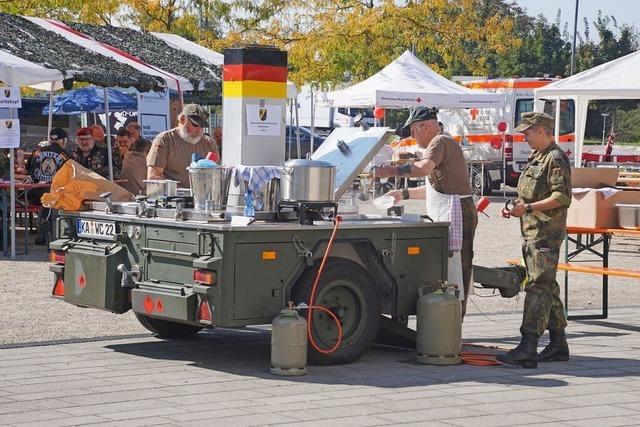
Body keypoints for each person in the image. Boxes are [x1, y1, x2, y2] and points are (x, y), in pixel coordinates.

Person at [376, 107, 478, 318]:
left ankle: (454, 317)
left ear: (426, 126)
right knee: (451, 264)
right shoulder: (442, 142)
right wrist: (402, 194)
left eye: (413, 132)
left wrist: (389, 170)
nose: (412, 137)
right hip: (452, 207)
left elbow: (422, 169)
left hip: (458, 210)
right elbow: (432, 190)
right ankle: (449, 315)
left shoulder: (440, 142)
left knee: (457, 265)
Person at [496, 112, 571, 369]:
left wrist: (527, 209)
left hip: (545, 234)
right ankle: (559, 343)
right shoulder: (537, 157)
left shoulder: (555, 158)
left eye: (527, 132)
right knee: (547, 286)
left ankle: (528, 346)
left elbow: (561, 197)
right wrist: (516, 207)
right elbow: (530, 194)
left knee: (538, 286)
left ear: (541, 130)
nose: (524, 137)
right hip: (532, 232)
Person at [147, 104, 219, 188]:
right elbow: (154, 177)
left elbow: (216, 176)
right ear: (182, 120)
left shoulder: (209, 143)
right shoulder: (165, 139)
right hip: (173, 198)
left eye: (202, 126)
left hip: (202, 197)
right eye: (195, 125)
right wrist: (181, 194)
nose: (199, 130)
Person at [26, 128, 71, 246]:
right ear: (64, 140)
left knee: (47, 200)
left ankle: (43, 231)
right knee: (54, 199)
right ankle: (48, 232)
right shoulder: (66, 155)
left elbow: (27, 170)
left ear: (50, 139)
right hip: (56, 196)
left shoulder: (37, 152)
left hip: (34, 195)